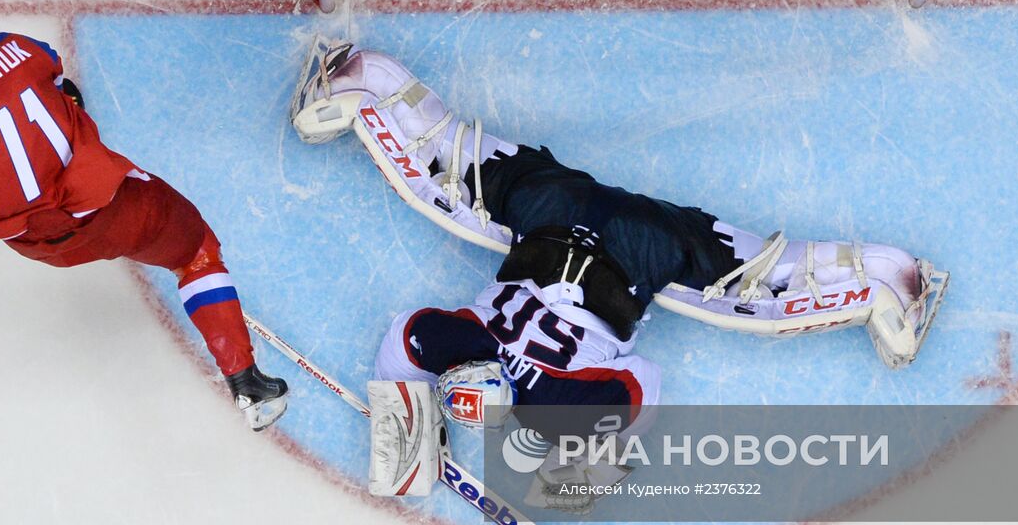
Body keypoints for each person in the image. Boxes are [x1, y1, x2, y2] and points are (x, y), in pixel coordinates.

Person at [289, 38, 947, 438]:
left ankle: (888, 275)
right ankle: (367, 78)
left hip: (644, 248)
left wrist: (585, 468)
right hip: (555, 209)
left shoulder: (554, 404)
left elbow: (642, 385)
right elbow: (409, 336)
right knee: (453, 168)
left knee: (764, 284)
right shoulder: (461, 344)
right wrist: (406, 403)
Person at [0, 0, 288, 429]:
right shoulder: (18, 49)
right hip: (109, 208)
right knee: (196, 251)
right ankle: (246, 382)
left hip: (41, 245)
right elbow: (60, 79)